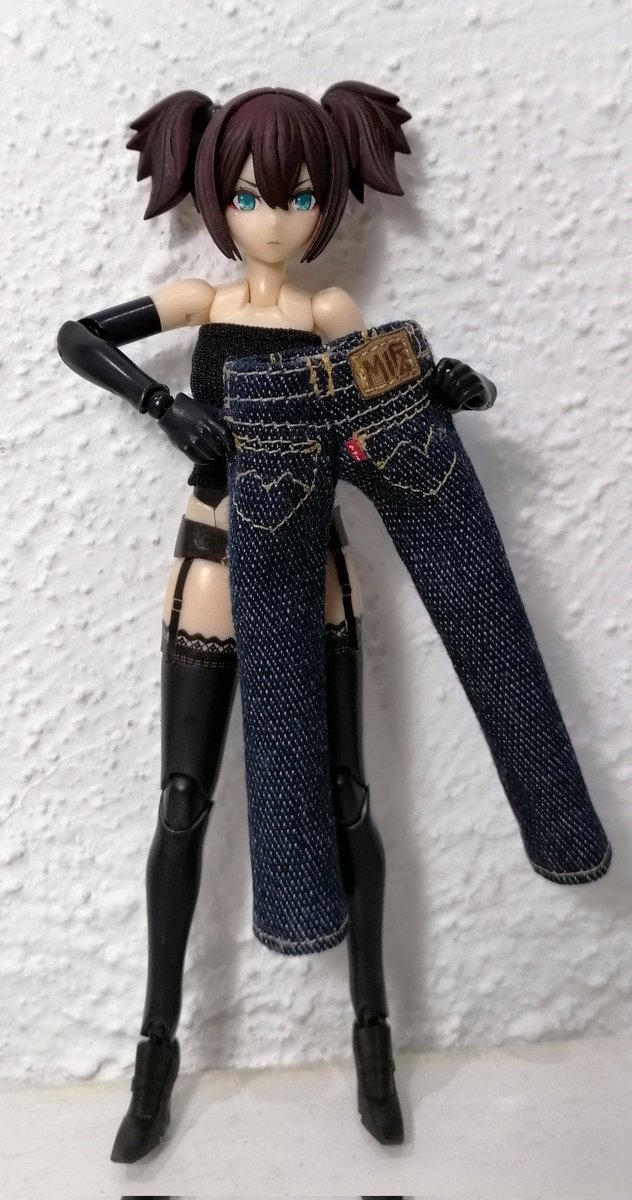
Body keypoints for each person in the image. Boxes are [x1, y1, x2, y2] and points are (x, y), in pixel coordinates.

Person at [57, 81, 609, 1166]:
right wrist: (166, 406)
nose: (274, 219)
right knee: (184, 799)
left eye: (299, 196)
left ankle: (373, 1041)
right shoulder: (201, 299)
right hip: (216, 546)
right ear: (213, 196)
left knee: (348, 791)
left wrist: (433, 387)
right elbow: (78, 336)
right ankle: (154, 1052)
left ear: (330, 202)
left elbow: (384, 384)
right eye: (249, 196)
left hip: (312, 548)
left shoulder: (329, 314)